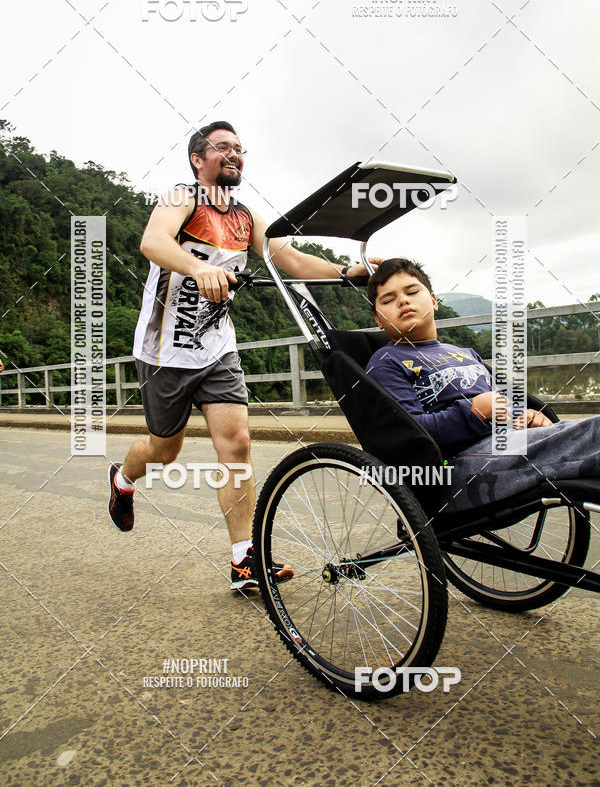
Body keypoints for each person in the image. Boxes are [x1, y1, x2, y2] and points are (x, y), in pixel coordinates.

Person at [109, 120, 380, 589]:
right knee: (164, 449)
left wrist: (345, 271)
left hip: (217, 348)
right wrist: (196, 267)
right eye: (223, 147)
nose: (234, 154)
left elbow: (288, 260)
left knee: (236, 443)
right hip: (164, 349)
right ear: (198, 159)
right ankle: (123, 481)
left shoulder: (247, 217)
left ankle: (243, 560)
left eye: (240, 148)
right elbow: (152, 243)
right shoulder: (182, 198)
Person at [366, 258, 600, 513]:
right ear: (378, 319)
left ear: (433, 301)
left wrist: (526, 416)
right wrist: (473, 413)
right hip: (455, 469)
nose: (403, 301)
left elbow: (502, 405)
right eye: (388, 300)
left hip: (508, 443)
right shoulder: (386, 362)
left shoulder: (464, 353)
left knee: (579, 430)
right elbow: (406, 434)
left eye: (412, 292)